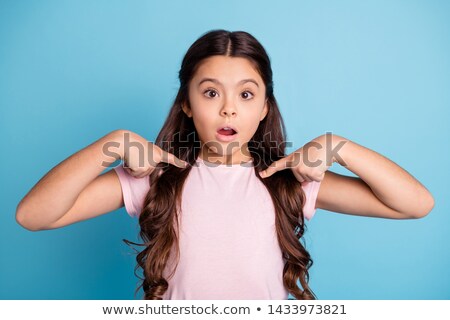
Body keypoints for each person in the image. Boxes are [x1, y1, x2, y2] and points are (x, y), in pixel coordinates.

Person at [15, 29, 434, 300]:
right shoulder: (156, 180)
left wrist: (341, 147)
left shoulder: (288, 182)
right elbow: (33, 216)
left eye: (246, 95)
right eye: (211, 93)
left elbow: (414, 204)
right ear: (187, 103)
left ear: (265, 106)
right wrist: (109, 146)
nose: (229, 109)